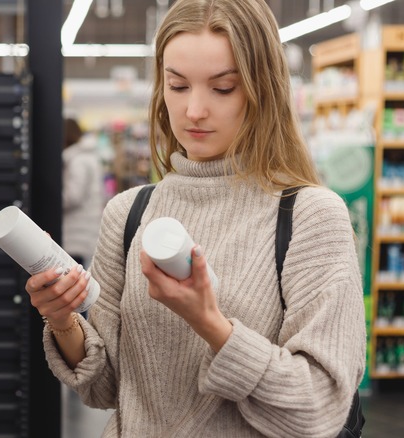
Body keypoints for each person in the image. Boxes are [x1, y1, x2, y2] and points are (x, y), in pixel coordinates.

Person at [26, 0, 366, 436]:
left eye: (223, 88)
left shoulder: (310, 217)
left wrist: (211, 324)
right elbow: (106, 388)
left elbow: (318, 408)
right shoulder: (129, 213)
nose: (194, 111)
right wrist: (63, 320)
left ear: (263, 89)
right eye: (178, 86)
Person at [62, 117, 105, 269]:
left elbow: (73, 196)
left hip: (76, 233)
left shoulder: (77, 161)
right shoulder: (86, 157)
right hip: (84, 229)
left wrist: (50, 199)